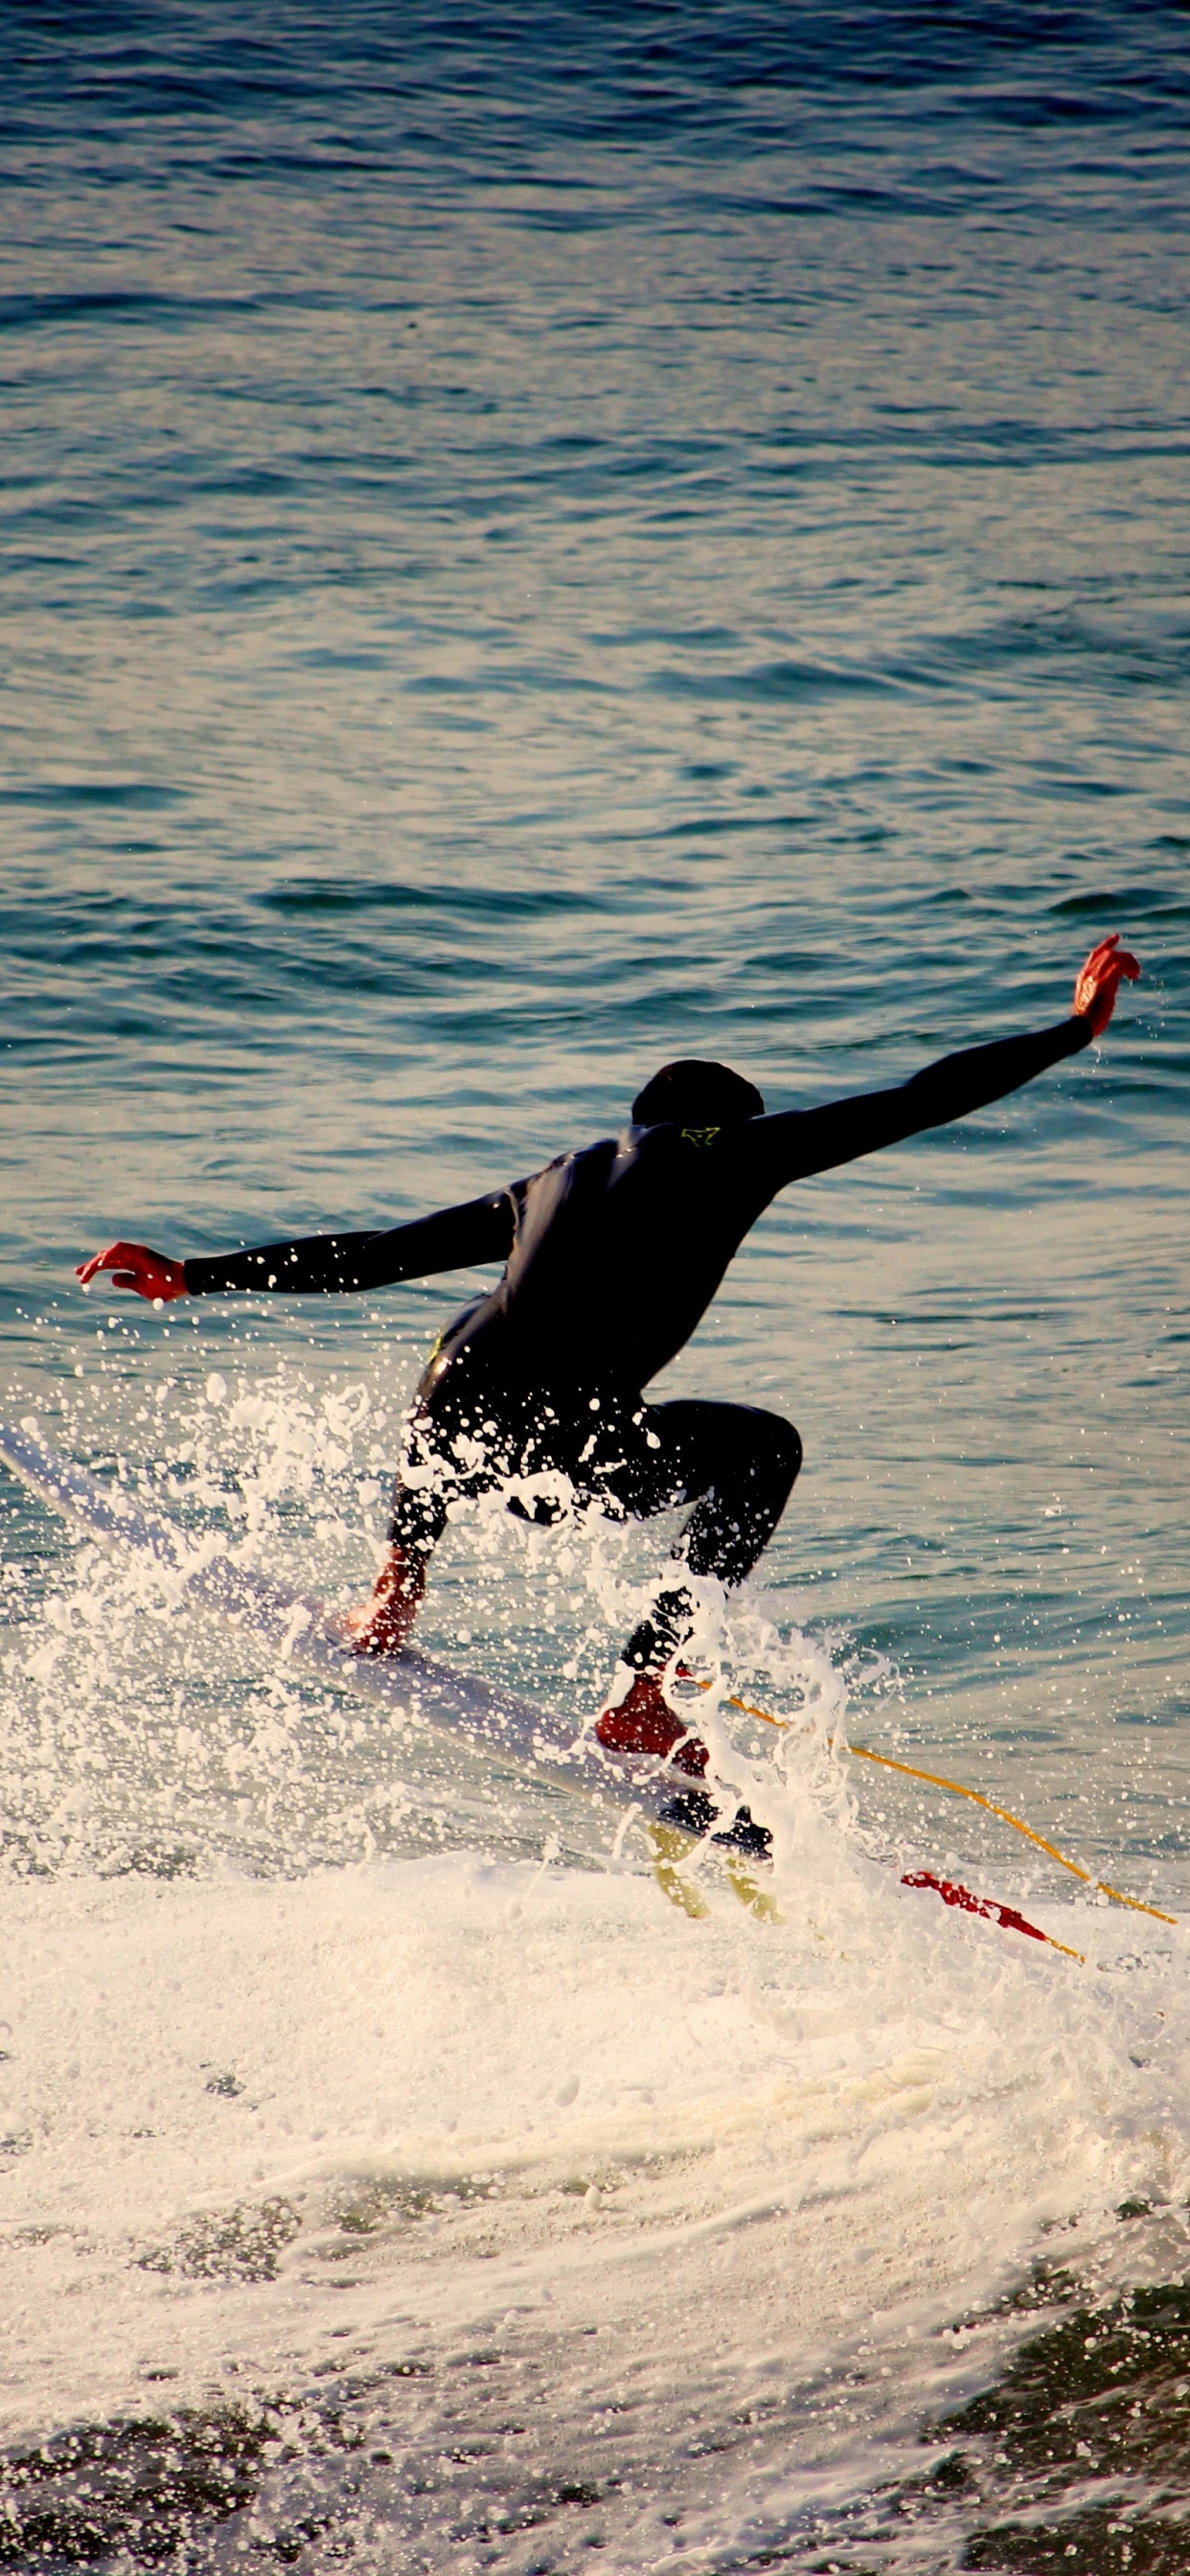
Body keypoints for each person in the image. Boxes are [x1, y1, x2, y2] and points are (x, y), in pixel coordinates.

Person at [78, 935, 1138, 1797]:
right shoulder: (731, 1151)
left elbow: (374, 1254)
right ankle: (643, 1695)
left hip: (457, 1432)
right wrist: (1072, 1029)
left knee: (464, 1336)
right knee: (763, 1450)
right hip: (570, 1449)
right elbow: (917, 1097)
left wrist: (193, 1275)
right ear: (730, 1124)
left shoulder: (547, 1181)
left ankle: (397, 1588)